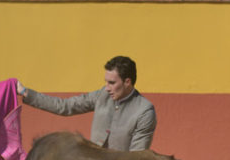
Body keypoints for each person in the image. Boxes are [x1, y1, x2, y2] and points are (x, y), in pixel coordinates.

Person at [16, 56, 156, 151]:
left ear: (127, 82)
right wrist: (25, 92)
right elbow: (65, 106)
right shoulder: (103, 94)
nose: (107, 87)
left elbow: (137, 159)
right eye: (106, 82)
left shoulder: (144, 111)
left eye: (112, 83)